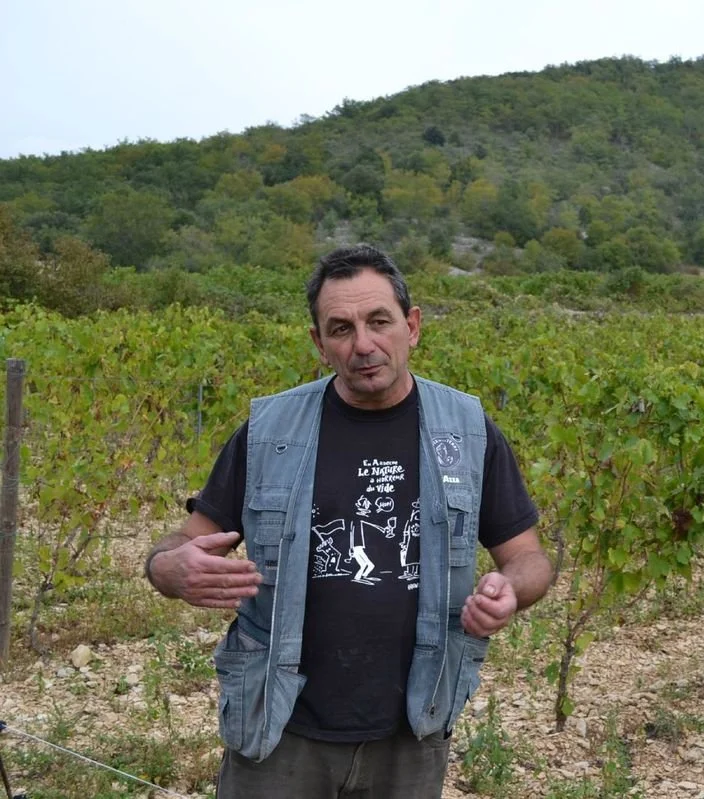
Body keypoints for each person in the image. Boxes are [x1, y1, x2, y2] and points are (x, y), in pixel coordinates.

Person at [144, 244, 554, 798]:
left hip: (413, 726)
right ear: (319, 343)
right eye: (341, 328)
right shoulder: (270, 431)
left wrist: (510, 589)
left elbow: (528, 557)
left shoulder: (466, 430)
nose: (363, 344)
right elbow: (181, 547)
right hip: (279, 725)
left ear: (411, 326)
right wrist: (170, 569)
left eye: (378, 321)